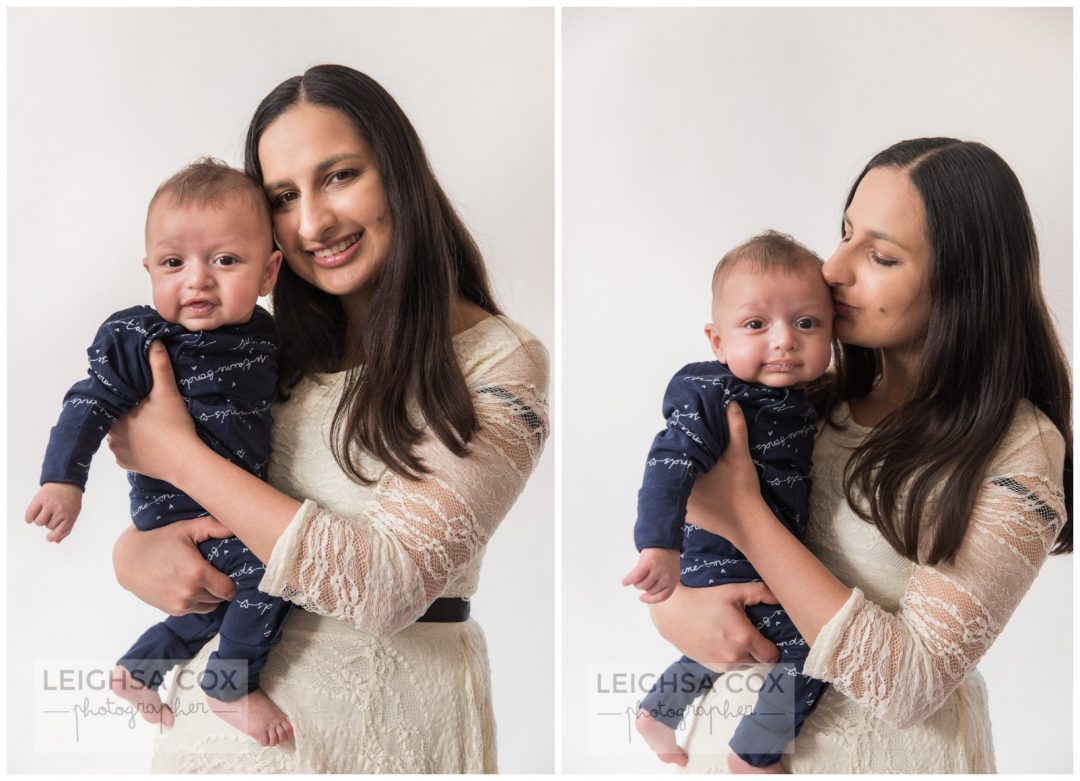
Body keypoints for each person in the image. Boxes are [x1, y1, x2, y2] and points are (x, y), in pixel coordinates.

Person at [106, 64, 549, 773]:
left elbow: (386, 585)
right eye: (283, 195)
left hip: (387, 740)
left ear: (397, 172)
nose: (314, 221)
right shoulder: (260, 353)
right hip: (214, 746)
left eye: (339, 176)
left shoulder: (497, 361)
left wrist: (178, 454)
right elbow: (189, 515)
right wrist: (133, 554)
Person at [650, 138, 1071, 773]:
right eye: (845, 232)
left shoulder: (1018, 448)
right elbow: (692, 575)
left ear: (963, 286)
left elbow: (910, 684)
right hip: (720, 742)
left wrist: (743, 516)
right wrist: (676, 609)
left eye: (879, 255)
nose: (835, 268)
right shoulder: (806, 401)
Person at [25, 158, 294, 746]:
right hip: (173, 507)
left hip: (232, 500)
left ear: (269, 271)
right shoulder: (142, 337)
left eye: (225, 260)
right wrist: (63, 481)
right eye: (174, 263)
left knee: (217, 601)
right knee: (272, 573)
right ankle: (230, 684)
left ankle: (140, 669)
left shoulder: (267, 337)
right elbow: (87, 403)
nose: (197, 280)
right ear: (149, 269)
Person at [624, 231, 833, 772]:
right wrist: (658, 546)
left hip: (759, 556)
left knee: (730, 641)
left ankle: (659, 710)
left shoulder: (803, 400)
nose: (784, 341)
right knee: (819, 646)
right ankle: (753, 755)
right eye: (756, 325)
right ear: (717, 342)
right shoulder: (716, 396)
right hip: (721, 558)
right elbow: (667, 464)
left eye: (806, 323)